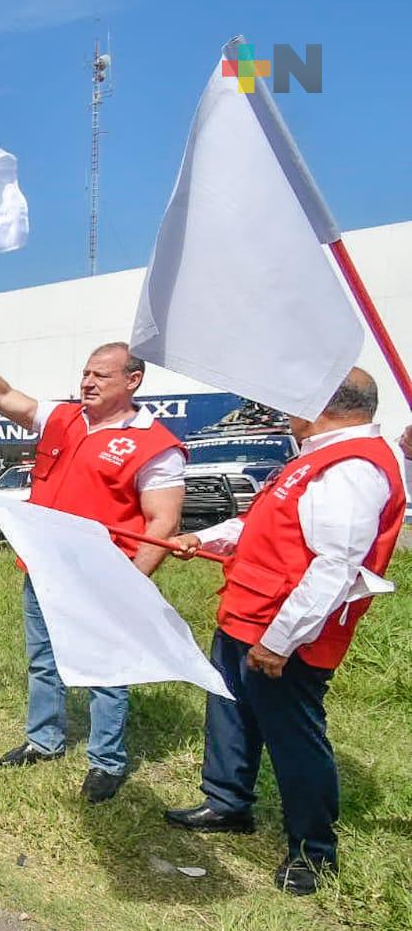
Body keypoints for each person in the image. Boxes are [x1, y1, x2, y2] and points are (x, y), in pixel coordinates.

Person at [163, 369, 404, 895]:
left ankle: (312, 851)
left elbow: (335, 566)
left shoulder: (354, 468)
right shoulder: (313, 457)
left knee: (294, 739)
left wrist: (278, 641)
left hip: (284, 634)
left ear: (319, 403)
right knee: (229, 712)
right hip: (244, 616)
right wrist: (201, 537)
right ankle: (227, 802)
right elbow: (261, 526)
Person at [0, 334, 186, 803]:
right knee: (43, 661)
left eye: (101, 375)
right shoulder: (63, 417)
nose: (88, 382)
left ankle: (106, 761)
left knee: (106, 671)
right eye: (85, 373)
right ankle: (44, 740)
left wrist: (130, 586)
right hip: (44, 568)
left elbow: (164, 521)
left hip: (103, 578)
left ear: (133, 380)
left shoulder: (155, 444)